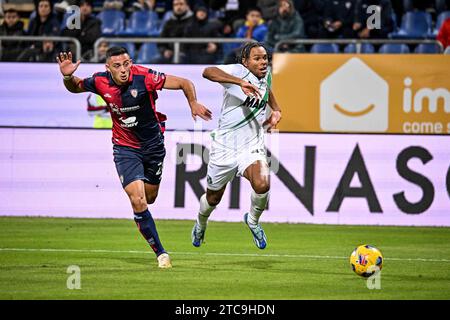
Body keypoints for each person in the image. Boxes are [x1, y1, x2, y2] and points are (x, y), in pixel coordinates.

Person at [57, 47, 212, 268]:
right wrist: (67, 76)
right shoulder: (100, 81)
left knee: (149, 198)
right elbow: (75, 87)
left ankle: (152, 233)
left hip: (153, 146)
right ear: (108, 68)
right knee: (137, 200)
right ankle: (161, 253)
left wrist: (193, 103)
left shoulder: (145, 76)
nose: (123, 70)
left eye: (127, 64)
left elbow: (185, 82)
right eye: (117, 66)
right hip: (125, 148)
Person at [191, 42, 282, 250]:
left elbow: (266, 90)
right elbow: (208, 72)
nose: (262, 62)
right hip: (224, 147)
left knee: (262, 183)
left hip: (251, 144)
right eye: (257, 59)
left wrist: (276, 109)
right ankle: (201, 223)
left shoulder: (266, 75)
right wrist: (240, 82)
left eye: (265, 58)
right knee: (213, 198)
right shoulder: (237, 71)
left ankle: (252, 220)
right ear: (245, 62)